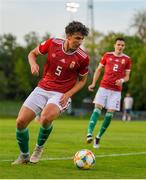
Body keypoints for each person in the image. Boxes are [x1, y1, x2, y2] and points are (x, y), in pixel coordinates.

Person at [12, 21, 89, 165]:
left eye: (82, 39)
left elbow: (82, 81)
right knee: (20, 122)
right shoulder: (52, 43)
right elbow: (32, 54)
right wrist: (33, 64)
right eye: (77, 38)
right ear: (68, 36)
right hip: (42, 88)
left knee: (45, 118)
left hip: (61, 93)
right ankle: (24, 156)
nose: (80, 42)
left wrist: (68, 94)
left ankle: (39, 148)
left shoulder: (83, 58)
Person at [87, 37, 132, 148]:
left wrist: (121, 80)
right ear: (114, 45)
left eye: (122, 45)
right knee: (97, 108)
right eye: (118, 44)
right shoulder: (107, 55)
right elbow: (98, 70)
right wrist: (93, 83)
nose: (120, 47)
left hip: (116, 91)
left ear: (124, 47)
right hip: (104, 87)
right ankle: (89, 133)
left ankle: (98, 137)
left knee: (110, 113)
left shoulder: (127, 59)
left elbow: (127, 77)